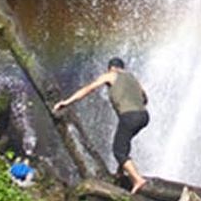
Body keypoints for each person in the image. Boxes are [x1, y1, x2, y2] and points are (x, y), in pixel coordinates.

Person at [53, 57, 149, 193]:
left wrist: (67, 102)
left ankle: (138, 180)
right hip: (144, 116)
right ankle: (121, 172)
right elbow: (145, 97)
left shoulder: (110, 75)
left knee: (118, 151)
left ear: (111, 68)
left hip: (130, 117)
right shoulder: (132, 77)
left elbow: (88, 89)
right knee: (124, 142)